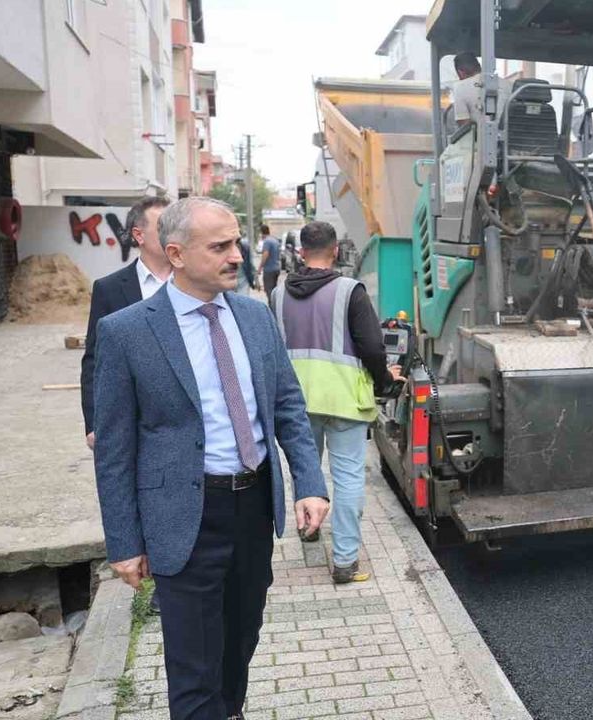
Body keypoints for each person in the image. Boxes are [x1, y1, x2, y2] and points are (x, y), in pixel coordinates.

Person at [92, 197, 329, 720]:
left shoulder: (254, 315)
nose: (236, 256)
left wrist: (310, 482)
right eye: (219, 246)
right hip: (183, 519)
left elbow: (287, 404)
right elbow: (112, 450)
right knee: (193, 666)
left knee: (240, 641)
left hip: (253, 511)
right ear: (175, 254)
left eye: (236, 242)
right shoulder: (126, 332)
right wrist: (125, 542)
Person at [272, 221, 402, 583]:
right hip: (344, 398)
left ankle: (308, 527)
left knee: (305, 468)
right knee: (346, 479)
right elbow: (373, 347)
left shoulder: (278, 294)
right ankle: (345, 562)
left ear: (300, 252)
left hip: (295, 400)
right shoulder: (349, 291)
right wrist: (386, 379)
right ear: (334, 251)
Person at [82, 195, 171, 451]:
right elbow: (94, 360)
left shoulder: (194, 284)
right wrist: (93, 422)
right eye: (163, 227)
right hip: (131, 411)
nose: (174, 234)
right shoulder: (109, 289)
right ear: (139, 235)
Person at [451, 51, 510, 127]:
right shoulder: (509, 85)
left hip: (480, 138)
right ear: (479, 66)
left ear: (460, 72)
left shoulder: (459, 87)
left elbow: (463, 125)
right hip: (511, 136)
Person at [258, 224, 282, 308]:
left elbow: (265, 254)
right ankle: (275, 307)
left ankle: (272, 310)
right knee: (274, 290)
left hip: (269, 269)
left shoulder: (267, 241)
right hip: (276, 268)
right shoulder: (275, 240)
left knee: (269, 290)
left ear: (261, 232)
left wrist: (260, 267)